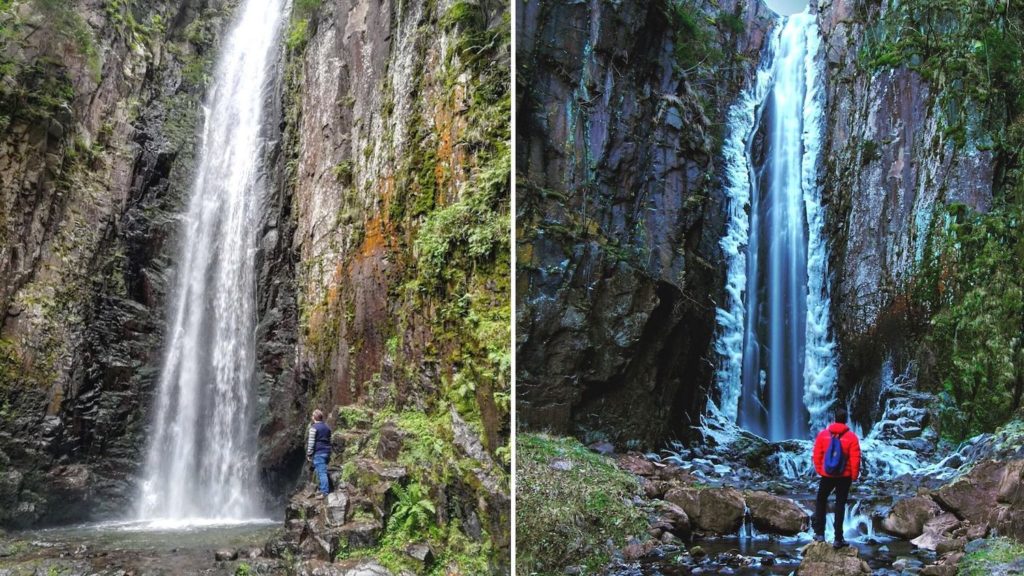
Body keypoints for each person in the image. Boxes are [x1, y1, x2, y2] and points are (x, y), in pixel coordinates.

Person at [811, 406, 861, 548]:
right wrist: (854, 475)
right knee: (840, 504)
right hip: (844, 476)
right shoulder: (851, 437)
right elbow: (855, 458)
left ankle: (820, 533)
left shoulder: (823, 435)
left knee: (821, 500)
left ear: (834, 419)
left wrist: (821, 470)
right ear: (846, 421)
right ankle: (838, 538)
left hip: (827, 475)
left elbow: (817, 454)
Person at [306, 408, 332, 497]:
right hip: (327, 451)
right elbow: (329, 439)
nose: (312, 417)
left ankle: (324, 492)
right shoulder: (327, 427)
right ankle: (321, 488)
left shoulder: (313, 428)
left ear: (314, 418)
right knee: (320, 470)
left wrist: (309, 454)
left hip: (319, 452)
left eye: (312, 416)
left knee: (322, 472)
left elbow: (311, 442)